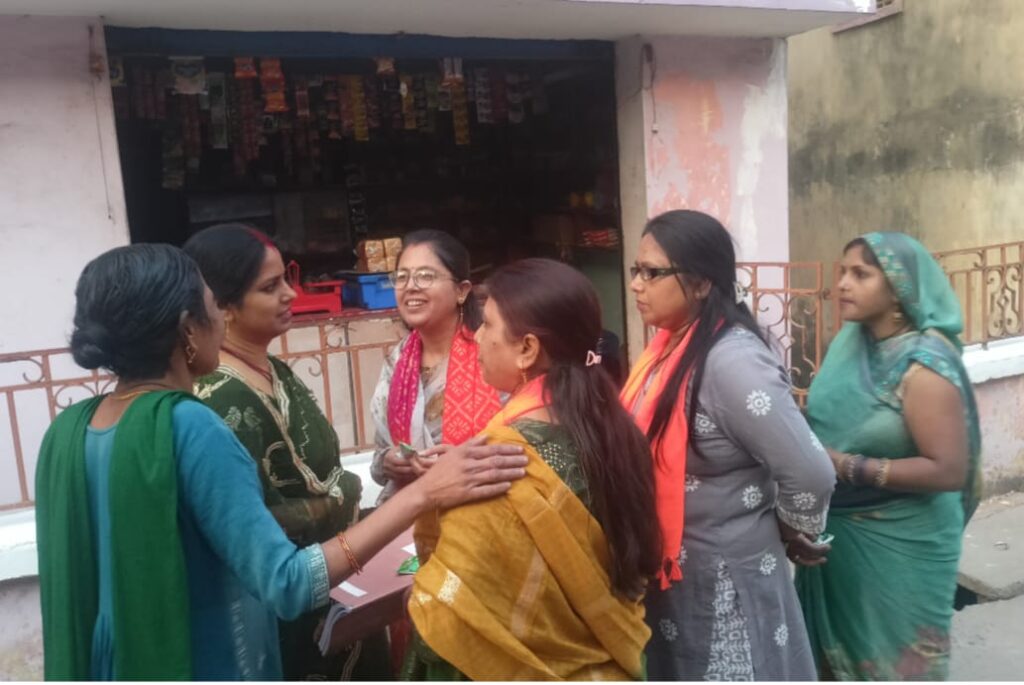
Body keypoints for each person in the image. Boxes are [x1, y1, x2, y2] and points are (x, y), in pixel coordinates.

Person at [34, 244, 528, 681]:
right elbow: (289, 583)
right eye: (213, 305)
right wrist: (425, 493)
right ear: (187, 330)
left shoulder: (69, 431)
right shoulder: (190, 427)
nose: (222, 318)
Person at [402, 258, 661, 680]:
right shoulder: (615, 428)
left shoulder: (498, 465)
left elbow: (451, 622)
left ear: (527, 349)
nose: (476, 337)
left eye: (487, 325)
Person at [621, 209, 836, 680]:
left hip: (725, 584)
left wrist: (788, 529)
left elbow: (810, 472)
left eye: (652, 273)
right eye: (637, 270)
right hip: (678, 576)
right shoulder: (667, 348)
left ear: (701, 283)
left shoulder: (731, 363)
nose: (636, 284)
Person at [185, 224, 380, 679]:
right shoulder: (221, 397)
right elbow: (254, 520)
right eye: (271, 287)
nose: (291, 294)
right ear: (223, 306)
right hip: (280, 603)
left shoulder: (270, 368)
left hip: (335, 578)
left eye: (286, 281)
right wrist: (348, 493)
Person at [795, 232, 982, 680]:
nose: (843, 283)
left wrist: (847, 466)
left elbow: (948, 470)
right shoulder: (850, 345)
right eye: (842, 272)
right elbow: (826, 419)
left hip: (902, 541)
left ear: (898, 289)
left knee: (893, 668)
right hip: (836, 534)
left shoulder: (925, 365)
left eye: (861, 274)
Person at [369, 230, 501, 504]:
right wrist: (389, 461)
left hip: (484, 508)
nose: (410, 287)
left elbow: (524, 443)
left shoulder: (492, 353)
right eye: (402, 277)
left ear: (461, 291)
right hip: (409, 510)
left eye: (425, 276)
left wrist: (466, 464)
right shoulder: (397, 361)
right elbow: (380, 456)